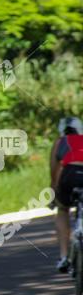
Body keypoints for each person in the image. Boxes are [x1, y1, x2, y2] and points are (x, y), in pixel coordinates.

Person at [49, 116, 83, 272]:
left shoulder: (59, 142)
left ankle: (64, 257)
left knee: (62, 210)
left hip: (68, 176)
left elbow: (54, 172)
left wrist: (53, 195)